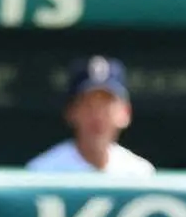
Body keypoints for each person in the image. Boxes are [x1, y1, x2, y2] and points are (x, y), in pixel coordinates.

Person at [26, 56, 155, 175]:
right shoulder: (43, 171)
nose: (97, 115)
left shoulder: (139, 173)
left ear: (125, 112)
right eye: (88, 105)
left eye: (106, 106)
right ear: (71, 111)